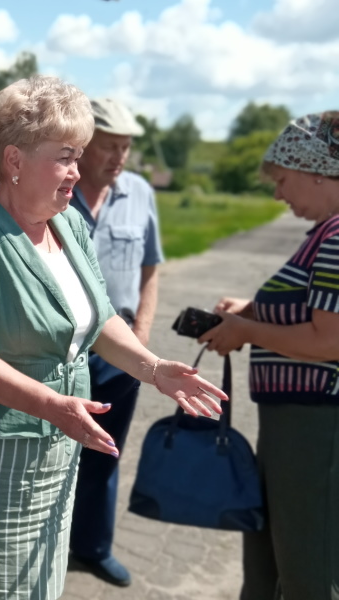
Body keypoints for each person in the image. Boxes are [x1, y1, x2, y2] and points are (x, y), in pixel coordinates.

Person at [0, 76, 227, 600]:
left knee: (44, 583)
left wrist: (154, 368)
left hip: (64, 445)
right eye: (66, 156)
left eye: (80, 155)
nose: (78, 172)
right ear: (14, 161)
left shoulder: (70, 226)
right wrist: (50, 406)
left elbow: (101, 318)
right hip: (4, 452)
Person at [200, 111, 339, 600]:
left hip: (317, 428)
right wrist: (252, 310)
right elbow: (311, 308)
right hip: (297, 423)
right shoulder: (326, 234)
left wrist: (245, 330)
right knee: (275, 558)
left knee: (309, 567)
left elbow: (330, 340)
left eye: (282, 180)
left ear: (318, 171)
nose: (279, 194)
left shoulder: (338, 237)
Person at [67, 98, 163, 587]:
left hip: (121, 351)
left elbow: (151, 268)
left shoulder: (140, 194)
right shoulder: (55, 191)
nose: (119, 157)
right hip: (63, 350)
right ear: (83, 147)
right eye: (109, 146)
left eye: (125, 147)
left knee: (106, 452)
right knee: (55, 453)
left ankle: (93, 547)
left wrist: (143, 333)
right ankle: (48, 543)